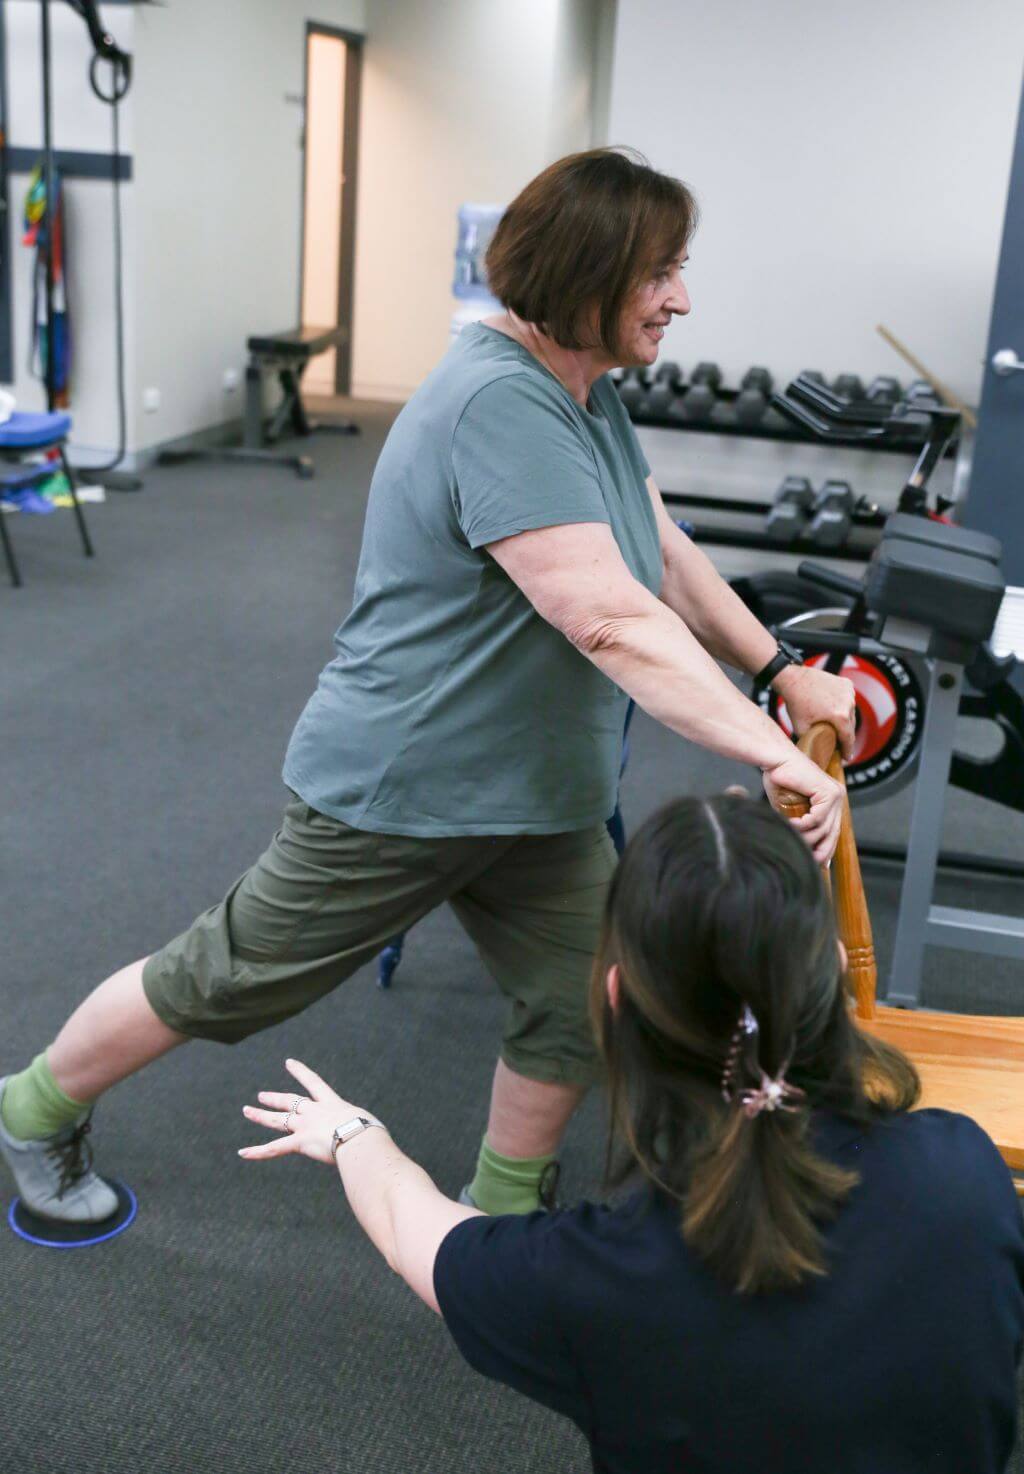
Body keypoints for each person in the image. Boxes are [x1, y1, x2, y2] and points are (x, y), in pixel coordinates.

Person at [0, 148, 855, 1226]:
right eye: (657, 275)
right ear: (585, 274)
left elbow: (662, 547)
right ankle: (30, 1107)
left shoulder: (582, 388)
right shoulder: (499, 403)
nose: (680, 298)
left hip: (535, 796)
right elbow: (607, 616)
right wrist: (772, 752)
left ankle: (494, 1223)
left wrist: (780, 672)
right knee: (223, 981)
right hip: (403, 788)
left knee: (577, 995)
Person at [237, 793, 1024, 1474]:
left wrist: (350, 1132)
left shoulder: (585, 1281)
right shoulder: (964, 1168)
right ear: (824, 978)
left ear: (617, 998)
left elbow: (413, 1229)